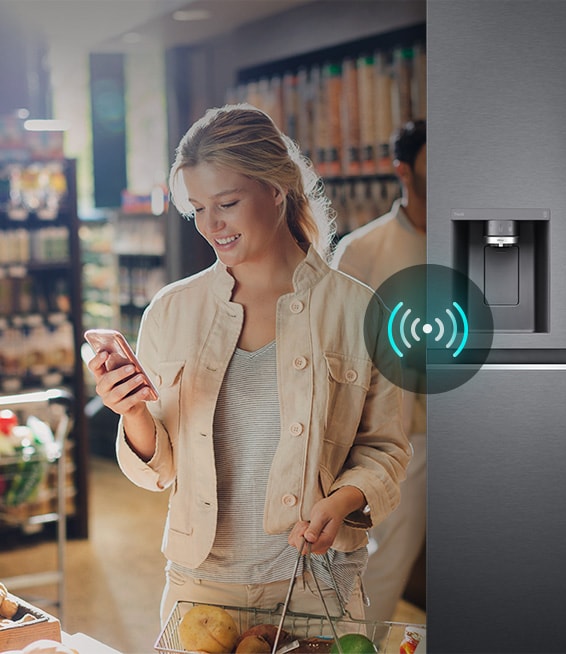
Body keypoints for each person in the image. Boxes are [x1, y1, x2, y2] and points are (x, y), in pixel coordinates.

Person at [86, 103, 411, 625]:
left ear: (276, 189)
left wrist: (341, 501)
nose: (212, 226)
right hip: (199, 586)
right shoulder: (171, 311)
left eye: (228, 203)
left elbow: (386, 450)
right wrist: (133, 414)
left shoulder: (358, 310)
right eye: (197, 210)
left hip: (316, 587)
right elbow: (160, 471)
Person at [331, 120, 426, 623]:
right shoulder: (363, 250)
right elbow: (337, 348)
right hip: (403, 439)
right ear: (404, 171)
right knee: (385, 561)